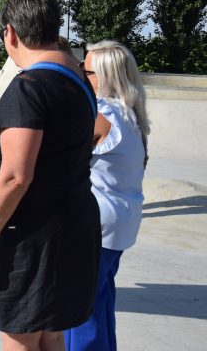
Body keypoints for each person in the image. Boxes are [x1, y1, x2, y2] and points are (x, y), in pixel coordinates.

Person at [0, 0, 100, 350]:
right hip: (72, 231)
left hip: (32, 244)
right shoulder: (80, 83)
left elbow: (16, 176)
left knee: (23, 337)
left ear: (11, 33)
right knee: (52, 334)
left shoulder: (30, 87)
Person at [65, 41, 149, 351]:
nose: (81, 76)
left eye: (85, 70)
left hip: (97, 227)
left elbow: (61, 160)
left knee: (79, 314)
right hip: (120, 224)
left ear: (104, 76)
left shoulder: (101, 114)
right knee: (100, 305)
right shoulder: (130, 114)